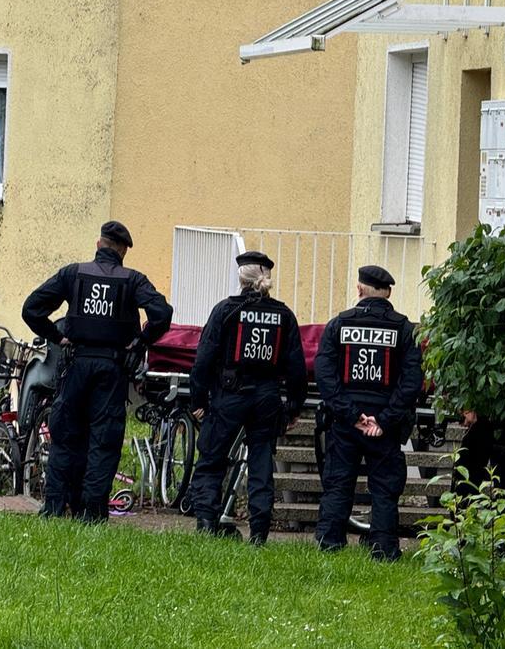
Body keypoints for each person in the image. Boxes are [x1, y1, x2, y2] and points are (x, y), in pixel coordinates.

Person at [22, 221, 172, 523]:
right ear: (123, 251)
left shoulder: (73, 274)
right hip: (111, 370)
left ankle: (55, 507)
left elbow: (32, 308)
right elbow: (162, 313)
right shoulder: (133, 280)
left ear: (98, 244)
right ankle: (92, 512)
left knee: (66, 437)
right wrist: (141, 342)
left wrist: (57, 336)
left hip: (75, 365)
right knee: (103, 441)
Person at [189, 251, 307, 544]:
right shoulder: (283, 315)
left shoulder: (225, 310)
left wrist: (198, 401)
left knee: (212, 458)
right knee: (261, 463)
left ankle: (206, 523)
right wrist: (294, 407)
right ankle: (259, 534)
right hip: (267, 397)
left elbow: (203, 359)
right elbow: (296, 366)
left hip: (229, 394)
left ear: (241, 277)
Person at [313, 265, 422, 561]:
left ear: (359, 289)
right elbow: (411, 382)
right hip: (384, 426)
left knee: (338, 484)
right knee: (385, 489)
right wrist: (384, 420)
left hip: (345, 423)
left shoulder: (339, 324)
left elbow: (324, 375)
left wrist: (351, 416)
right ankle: (384, 549)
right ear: (388, 293)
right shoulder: (404, 329)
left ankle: (329, 546)